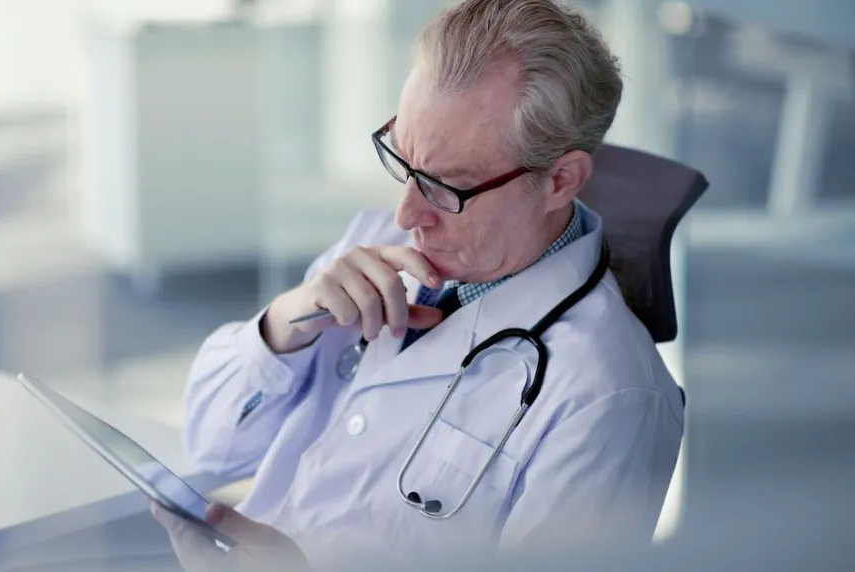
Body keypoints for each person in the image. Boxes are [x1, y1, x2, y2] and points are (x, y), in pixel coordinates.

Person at [155, 0, 685, 569]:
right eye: (403, 161)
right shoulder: (376, 244)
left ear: (560, 180)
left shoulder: (609, 398)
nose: (406, 213)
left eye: (446, 187)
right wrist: (290, 322)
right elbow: (210, 441)